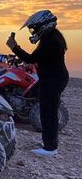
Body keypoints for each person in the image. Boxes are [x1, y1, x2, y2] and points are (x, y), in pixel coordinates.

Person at [6, 10, 69, 157]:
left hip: (53, 79)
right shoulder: (52, 37)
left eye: (34, 28)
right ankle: (48, 143)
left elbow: (31, 58)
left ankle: (50, 148)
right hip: (53, 78)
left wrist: (14, 47)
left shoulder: (50, 41)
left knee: (49, 113)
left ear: (44, 25)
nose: (33, 31)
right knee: (47, 110)